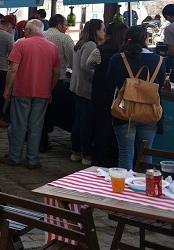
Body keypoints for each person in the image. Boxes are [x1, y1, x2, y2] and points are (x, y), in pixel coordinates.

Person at [1, 19, 61, 170]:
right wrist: (50, 89)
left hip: (22, 90)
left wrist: (7, 88)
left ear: (27, 30)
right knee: (36, 126)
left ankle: (15, 157)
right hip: (43, 93)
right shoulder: (53, 47)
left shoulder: (20, 44)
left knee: (18, 125)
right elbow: (56, 73)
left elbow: (13, 69)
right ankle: (32, 159)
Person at [107, 26, 166, 170]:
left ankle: (124, 188)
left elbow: (110, 80)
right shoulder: (159, 60)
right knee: (146, 154)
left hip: (124, 110)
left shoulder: (118, 58)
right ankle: (147, 188)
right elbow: (161, 83)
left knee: (126, 154)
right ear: (145, 38)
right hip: (150, 110)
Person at [88, 21, 128, 167]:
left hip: (102, 95)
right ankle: (115, 159)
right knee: (120, 128)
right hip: (122, 97)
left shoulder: (101, 50)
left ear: (109, 35)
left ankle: (98, 161)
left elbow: (88, 64)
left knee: (101, 129)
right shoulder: (127, 53)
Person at [70, 19, 105, 165]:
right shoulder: (90, 45)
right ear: (97, 31)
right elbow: (86, 66)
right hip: (86, 88)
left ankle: (76, 151)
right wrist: (97, 79)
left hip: (77, 87)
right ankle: (85, 154)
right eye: (103, 29)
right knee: (85, 122)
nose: (104, 32)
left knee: (79, 121)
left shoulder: (81, 43)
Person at [41, 14, 75, 151]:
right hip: (57, 80)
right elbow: (73, 60)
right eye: (66, 25)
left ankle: (40, 138)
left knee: (40, 111)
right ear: (60, 25)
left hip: (39, 79)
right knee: (54, 111)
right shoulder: (64, 39)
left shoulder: (41, 35)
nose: (66, 28)